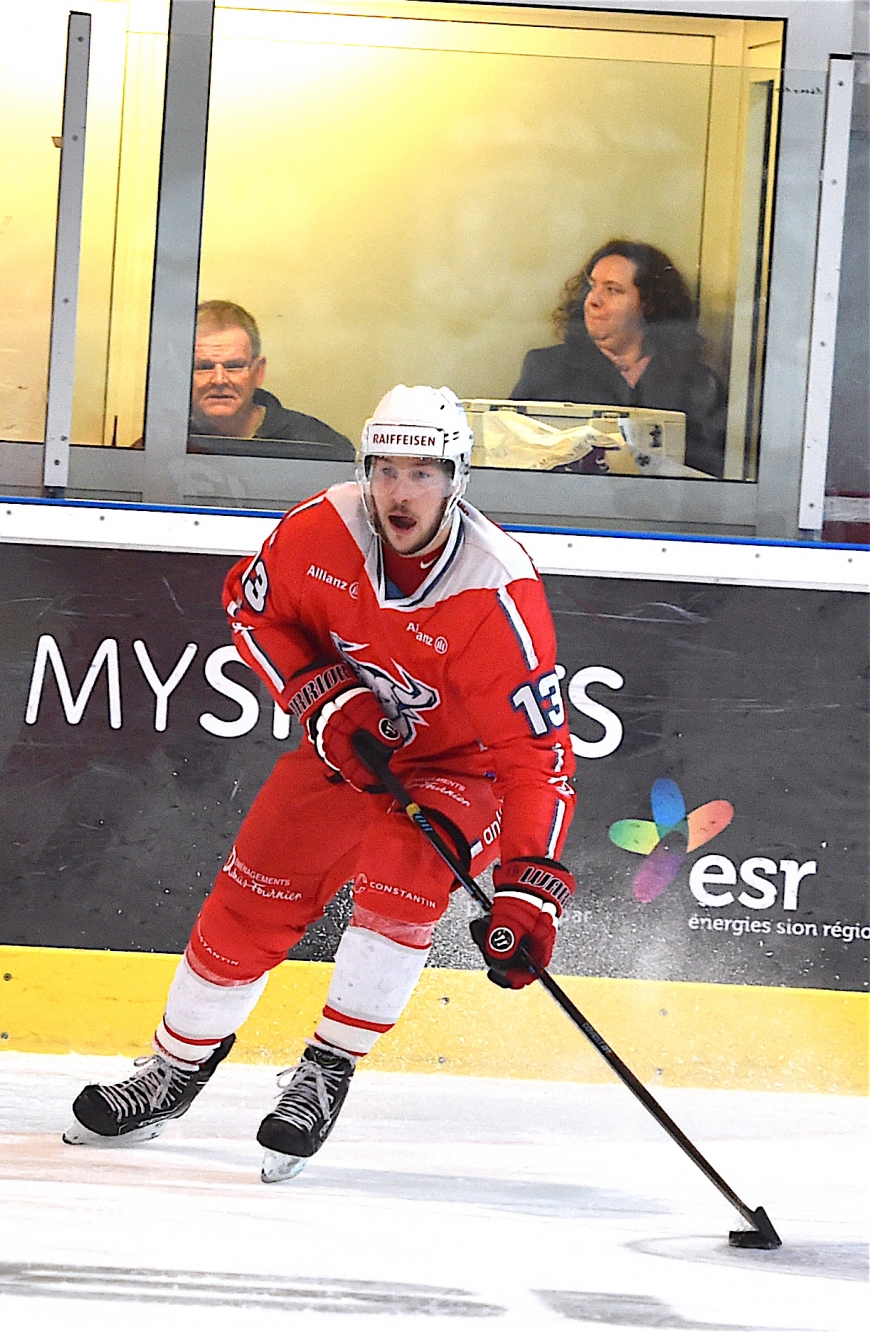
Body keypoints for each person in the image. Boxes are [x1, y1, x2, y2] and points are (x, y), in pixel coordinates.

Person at [65, 385, 576, 1183]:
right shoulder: (320, 530)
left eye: (424, 472)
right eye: (386, 469)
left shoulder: (497, 591)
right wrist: (329, 703)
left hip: (456, 768)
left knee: (402, 886)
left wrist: (527, 891)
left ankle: (327, 1068)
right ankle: (173, 1069)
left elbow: (535, 759)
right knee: (251, 896)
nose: (401, 491)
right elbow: (251, 609)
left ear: (457, 479)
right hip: (349, 748)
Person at [510, 240, 728, 478]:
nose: (593, 300)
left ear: (649, 304)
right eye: (592, 286)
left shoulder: (696, 383)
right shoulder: (547, 368)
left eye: (612, 290)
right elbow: (510, 456)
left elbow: (713, 476)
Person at [187, 301, 352, 459]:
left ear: (258, 372)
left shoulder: (319, 446)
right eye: (204, 366)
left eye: (234, 366)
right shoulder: (166, 440)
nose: (219, 379)